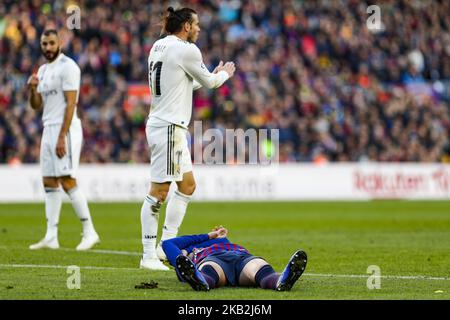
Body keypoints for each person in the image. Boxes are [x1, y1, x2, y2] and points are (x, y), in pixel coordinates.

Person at [140, 7, 236, 270]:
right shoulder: (187, 49)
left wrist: (209, 77)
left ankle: (166, 245)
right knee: (159, 192)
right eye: (196, 24)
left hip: (164, 124)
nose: (198, 29)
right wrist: (224, 73)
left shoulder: (158, 46)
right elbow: (211, 83)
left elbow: (179, 82)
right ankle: (148, 255)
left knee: (187, 186)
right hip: (169, 127)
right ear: (185, 26)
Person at [27, 29, 100, 251]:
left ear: (59, 43)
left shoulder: (69, 67)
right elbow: (36, 105)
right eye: (44, 44)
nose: (47, 47)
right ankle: (51, 236)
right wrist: (32, 90)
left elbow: (71, 104)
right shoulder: (43, 70)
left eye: (51, 43)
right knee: (49, 181)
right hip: (48, 127)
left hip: (65, 130)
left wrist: (61, 137)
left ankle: (89, 232)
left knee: (67, 180)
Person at [162, 226, 307, 291]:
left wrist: (210, 236)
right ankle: (199, 280)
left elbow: (224, 239)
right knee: (209, 269)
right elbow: (168, 243)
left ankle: (281, 281)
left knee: (258, 266)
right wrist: (206, 237)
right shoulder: (187, 258)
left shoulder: (221, 241)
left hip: (240, 255)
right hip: (212, 259)